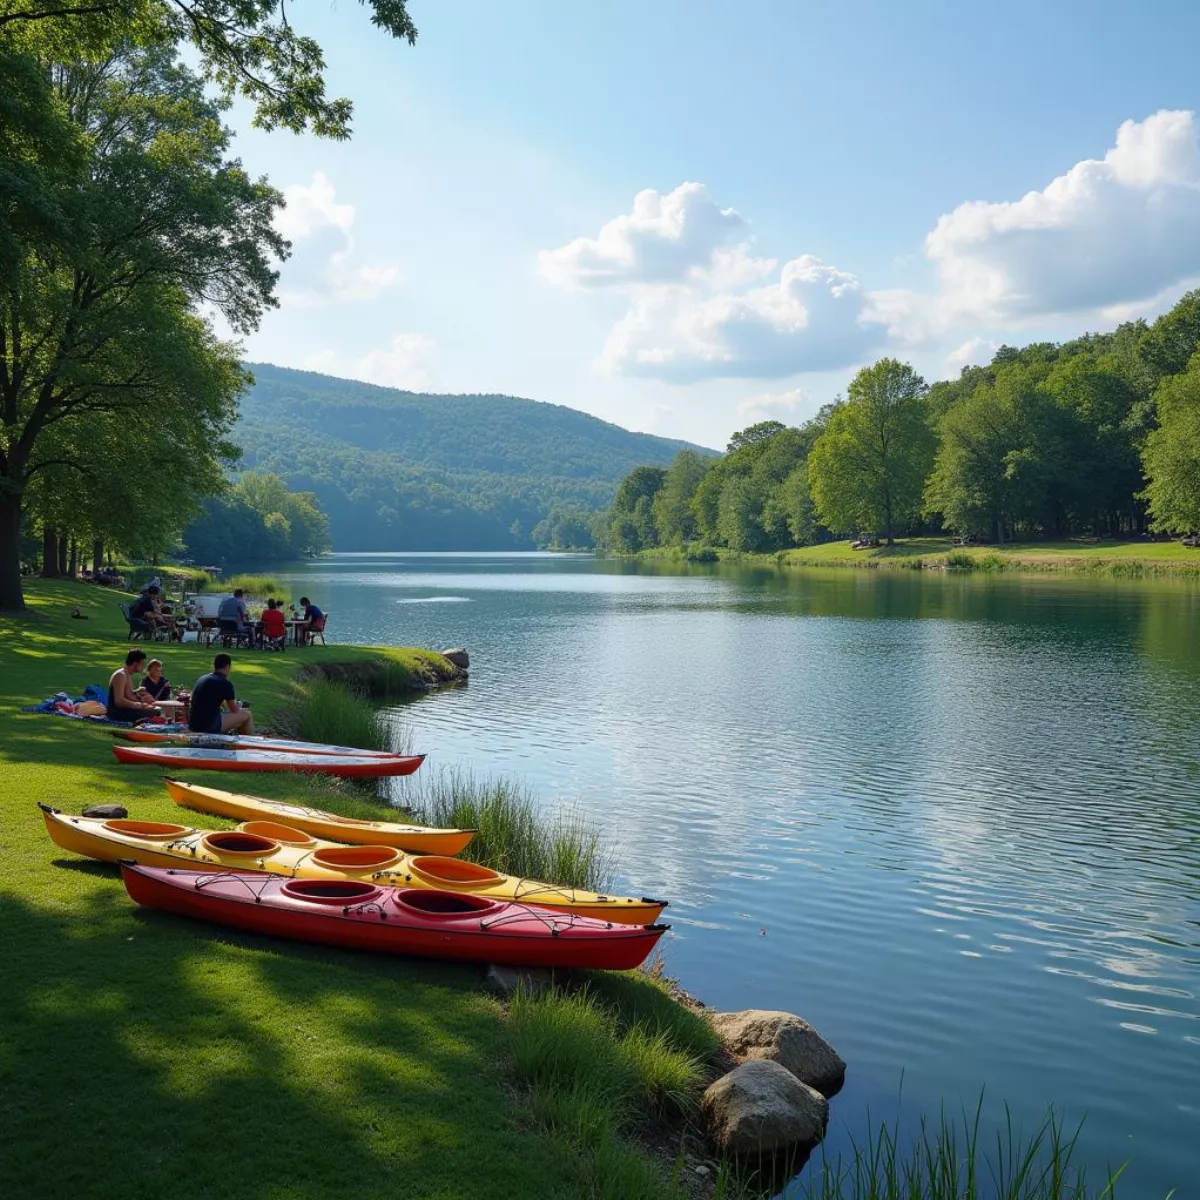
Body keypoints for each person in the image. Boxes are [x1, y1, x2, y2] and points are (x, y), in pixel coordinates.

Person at [188, 653, 254, 735]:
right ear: (228, 666)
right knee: (247, 714)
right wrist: (239, 706)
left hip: (194, 724)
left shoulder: (203, 678)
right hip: (208, 727)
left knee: (233, 719)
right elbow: (234, 710)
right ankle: (248, 743)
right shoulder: (225, 683)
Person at [108, 649, 160, 723]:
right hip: (117, 713)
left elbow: (127, 695)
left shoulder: (127, 674)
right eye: (142, 663)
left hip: (125, 710)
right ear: (135, 663)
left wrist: (140, 696)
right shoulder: (120, 675)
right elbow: (118, 701)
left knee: (155, 709)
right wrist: (138, 705)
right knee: (155, 712)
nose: (143, 666)